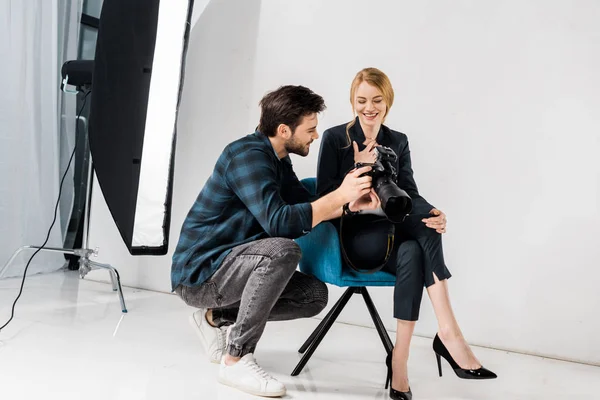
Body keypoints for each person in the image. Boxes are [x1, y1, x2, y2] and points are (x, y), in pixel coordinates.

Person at [171, 85, 377, 398]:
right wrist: (337, 196)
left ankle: (215, 317)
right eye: (310, 129)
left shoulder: (277, 158)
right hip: (200, 274)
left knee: (313, 295)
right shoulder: (246, 156)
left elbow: (302, 203)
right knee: (281, 251)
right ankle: (236, 358)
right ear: (284, 130)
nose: (316, 136)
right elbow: (280, 222)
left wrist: (348, 204)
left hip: (234, 266)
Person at [316, 68, 497, 400]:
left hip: (395, 234)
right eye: (361, 101)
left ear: (388, 101)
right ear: (352, 102)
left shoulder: (397, 141)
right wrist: (355, 199)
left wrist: (433, 211)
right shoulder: (334, 139)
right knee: (419, 234)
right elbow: (322, 202)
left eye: (377, 100)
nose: (369, 108)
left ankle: (400, 361)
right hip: (354, 239)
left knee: (420, 237)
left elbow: (410, 193)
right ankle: (449, 335)